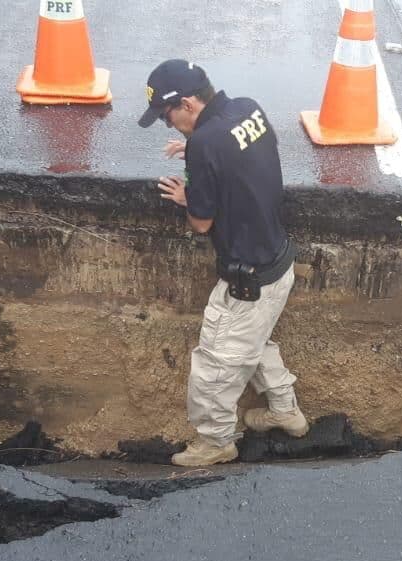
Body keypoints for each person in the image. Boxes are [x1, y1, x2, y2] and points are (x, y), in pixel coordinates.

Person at [138, 59, 309, 467]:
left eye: (168, 117)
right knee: (253, 344)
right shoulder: (248, 108)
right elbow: (243, 158)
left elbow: (201, 222)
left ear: (188, 104)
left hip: (246, 279)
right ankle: (285, 410)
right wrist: (198, 150)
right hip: (278, 261)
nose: (169, 125)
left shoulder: (205, 143)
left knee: (216, 363)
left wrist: (187, 193)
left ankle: (215, 442)